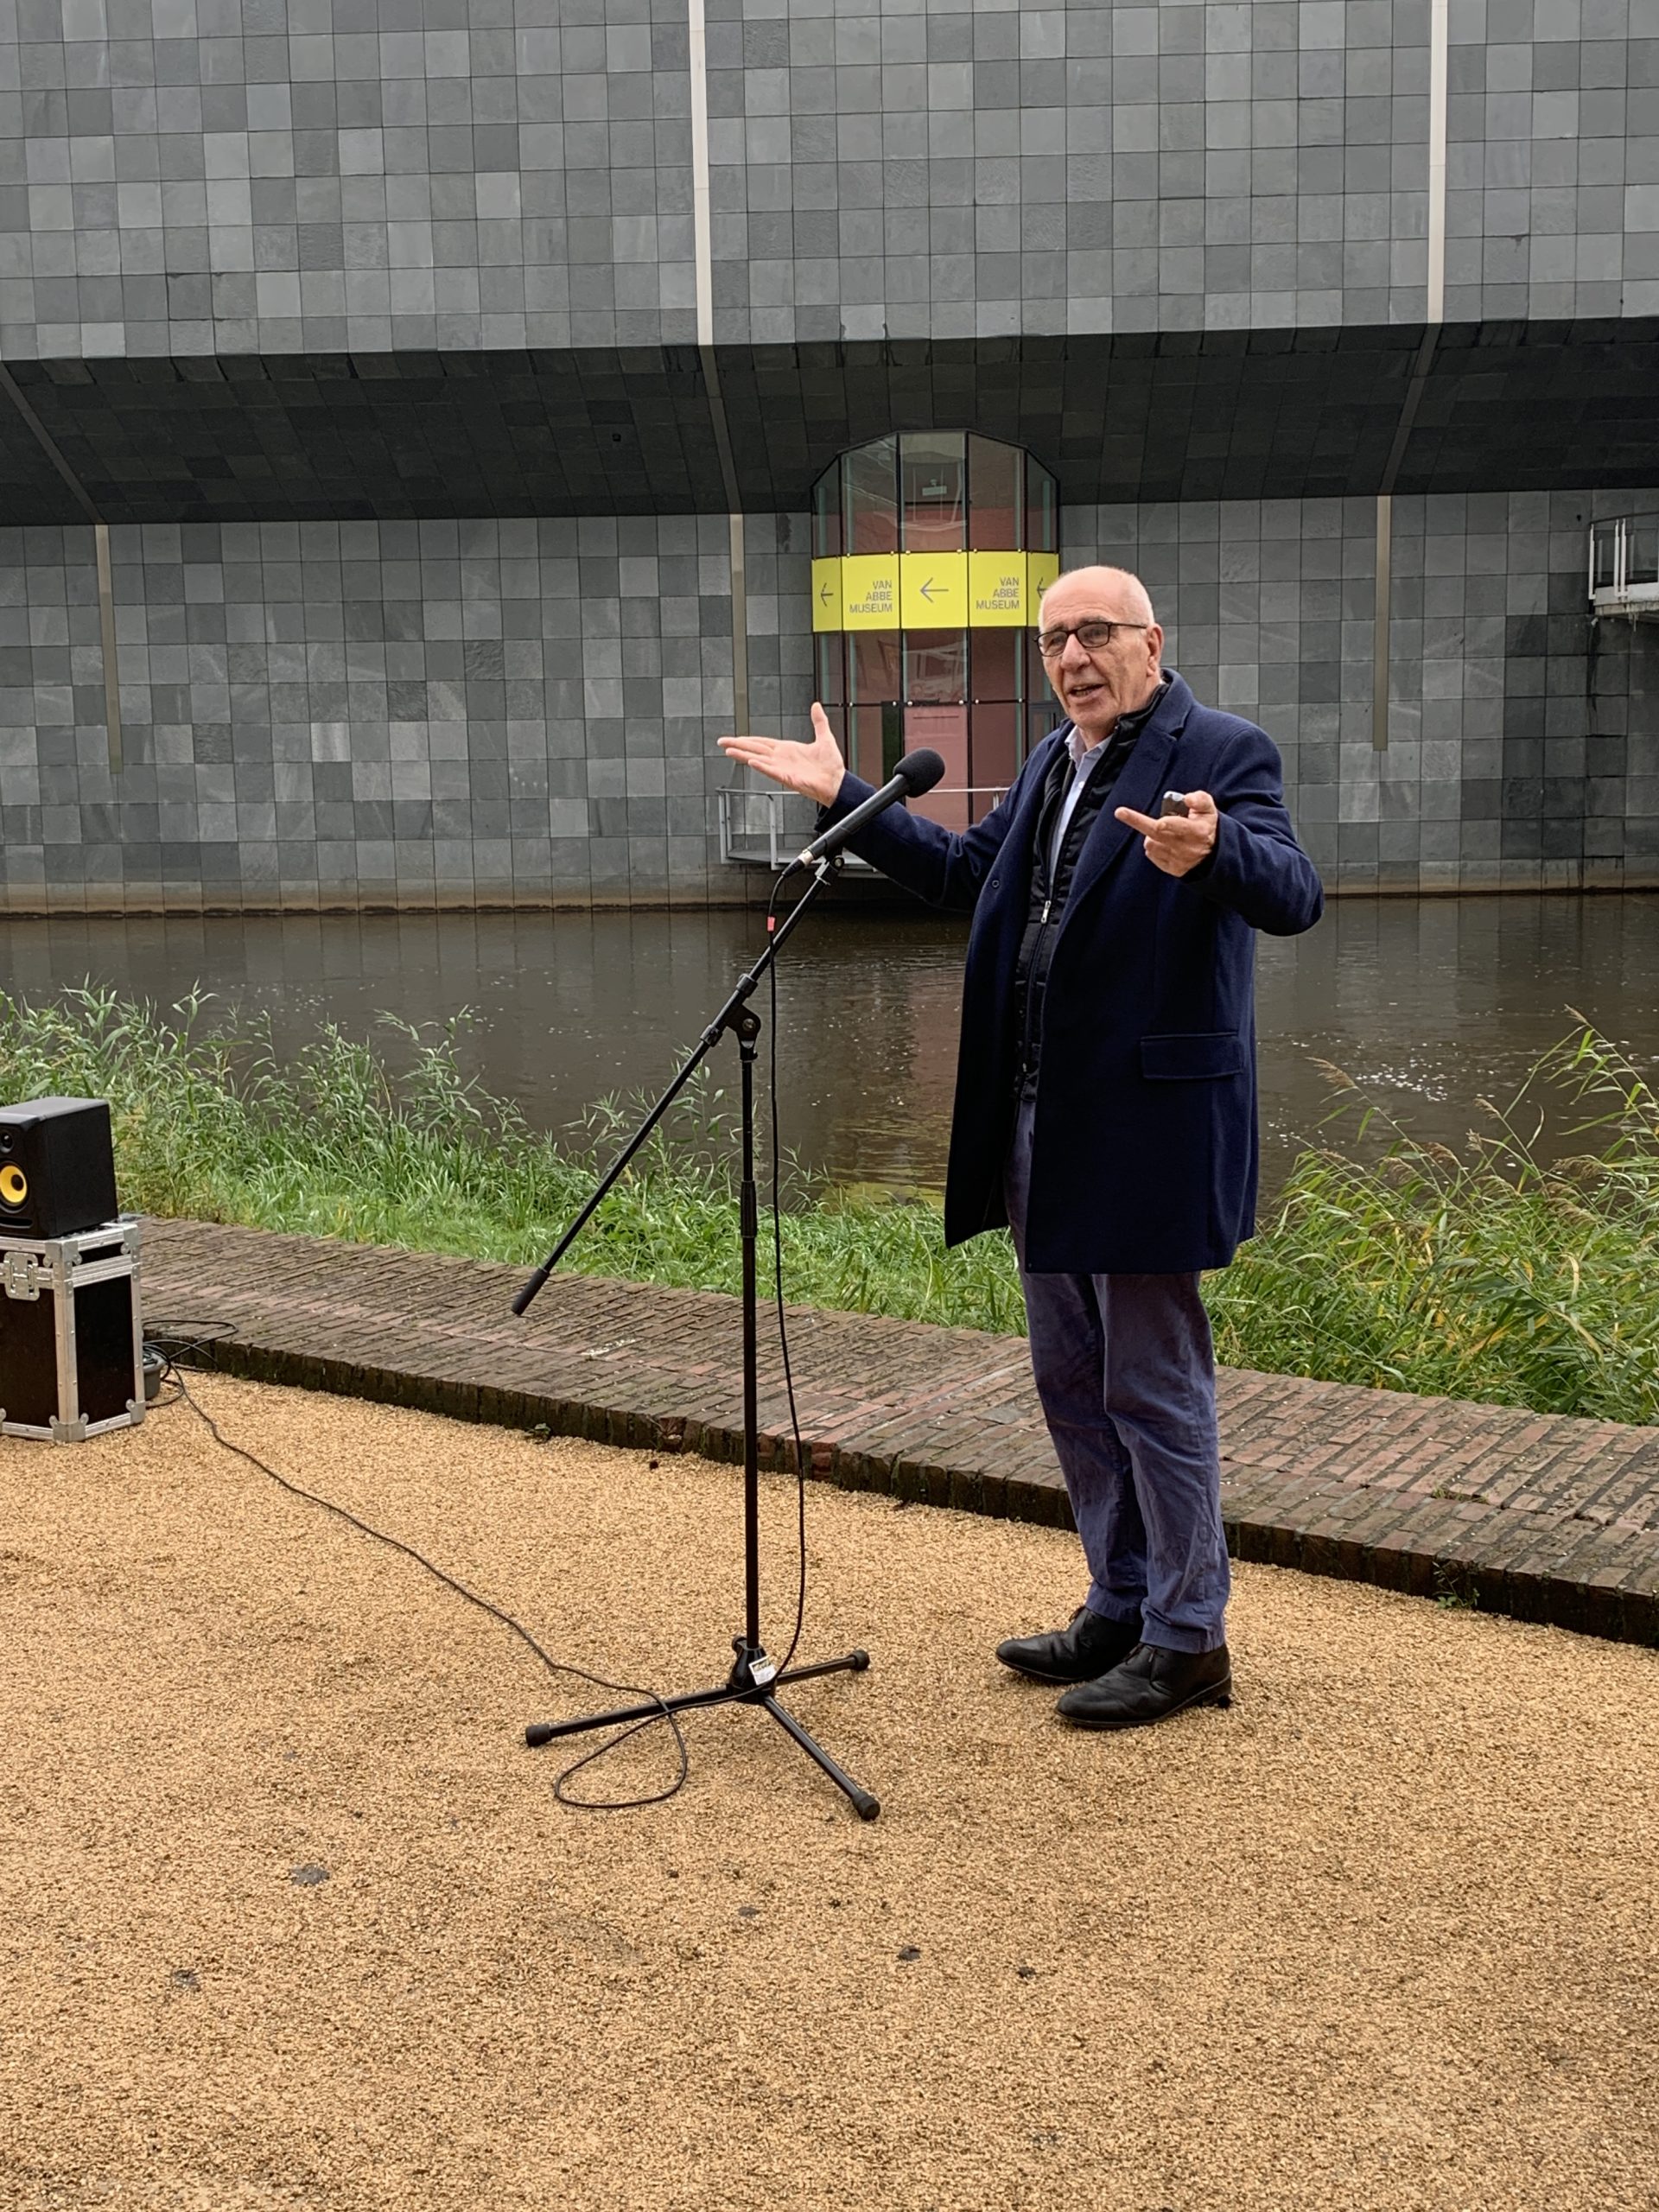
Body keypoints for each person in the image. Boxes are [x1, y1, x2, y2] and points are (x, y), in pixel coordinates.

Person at [719, 566, 1324, 1731]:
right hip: (1041, 1118)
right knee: (1072, 1380)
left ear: (1152, 641)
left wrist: (1216, 854)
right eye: (1053, 642)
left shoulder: (1223, 750)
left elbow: (1294, 892)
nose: (1072, 657)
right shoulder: (1052, 762)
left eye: (1094, 633)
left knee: (1153, 1383)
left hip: (1147, 1128)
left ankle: (1190, 1637)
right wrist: (845, 795)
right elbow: (964, 873)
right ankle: (1121, 1600)